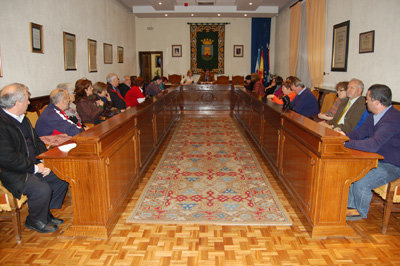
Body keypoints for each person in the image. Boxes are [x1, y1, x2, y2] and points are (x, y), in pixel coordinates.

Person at [0, 83, 68, 233]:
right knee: (41, 189)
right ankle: (34, 221)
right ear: (17, 103)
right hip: (14, 172)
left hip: (34, 163)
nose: (29, 102)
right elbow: (8, 158)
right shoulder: (2, 124)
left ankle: (44, 214)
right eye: (27, 99)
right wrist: (36, 168)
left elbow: (36, 141)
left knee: (60, 178)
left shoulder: (22, 118)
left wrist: (45, 161)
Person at [344, 84, 400, 221]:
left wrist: (345, 143)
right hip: (376, 158)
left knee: (362, 181)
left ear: (377, 102)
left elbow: (373, 145)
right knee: (351, 172)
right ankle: (350, 207)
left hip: (391, 164)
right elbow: (359, 133)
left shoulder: (392, 119)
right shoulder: (374, 114)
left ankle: (360, 212)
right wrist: (343, 136)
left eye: (367, 99)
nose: (365, 101)